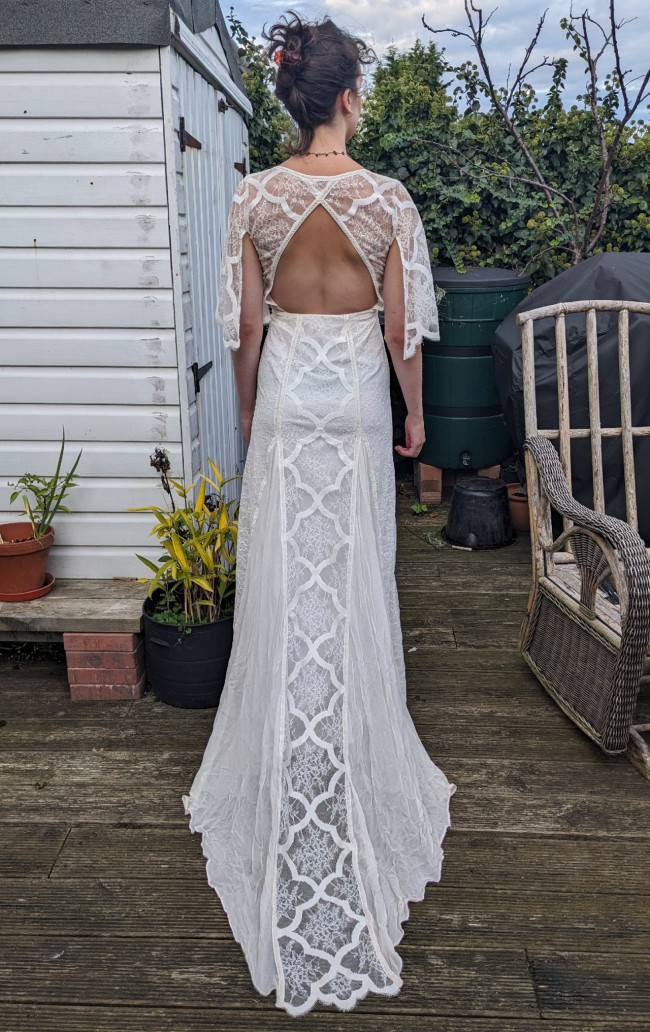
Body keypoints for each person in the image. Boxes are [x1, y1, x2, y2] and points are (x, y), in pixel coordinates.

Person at [182, 10, 457, 1017]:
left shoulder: (255, 196)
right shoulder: (387, 200)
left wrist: (249, 407)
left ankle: (286, 749)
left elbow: (246, 327)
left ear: (297, 98)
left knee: (284, 585)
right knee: (352, 579)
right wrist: (416, 417)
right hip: (354, 405)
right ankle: (349, 740)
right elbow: (404, 329)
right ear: (345, 97)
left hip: (292, 399)